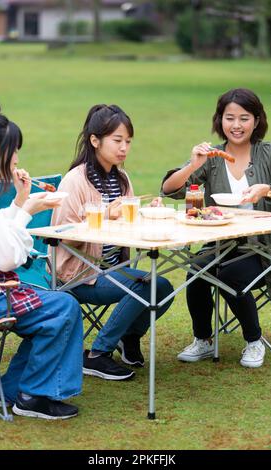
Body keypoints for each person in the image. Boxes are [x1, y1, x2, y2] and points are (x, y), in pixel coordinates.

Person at [51, 104, 174, 381]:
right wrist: (105, 215)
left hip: (111, 269)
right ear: (95, 140)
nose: (124, 148)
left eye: (128, 141)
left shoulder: (121, 178)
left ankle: (128, 338)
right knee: (147, 286)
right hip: (79, 275)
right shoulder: (75, 181)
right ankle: (97, 355)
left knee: (163, 286)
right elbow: (62, 235)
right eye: (117, 140)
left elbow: (126, 225)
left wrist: (147, 213)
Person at [161, 88, 271, 368]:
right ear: (220, 120)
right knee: (196, 271)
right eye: (230, 118)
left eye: (244, 118)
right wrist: (193, 165)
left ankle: (253, 341)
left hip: (266, 247)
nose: (236, 125)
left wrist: (268, 190)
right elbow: (169, 190)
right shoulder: (213, 157)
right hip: (221, 242)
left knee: (232, 275)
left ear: (256, 120)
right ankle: (203, 340)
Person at [0, 97, 83, 419]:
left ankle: (10, 392)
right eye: (15, 150)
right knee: (62, 308)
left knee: (53, 307)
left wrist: (21, 203)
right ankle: (31, 396)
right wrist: (27, 211)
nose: (18, 158)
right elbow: (6, 258)